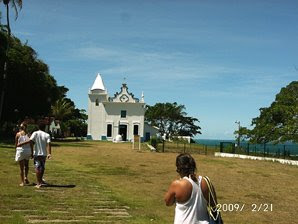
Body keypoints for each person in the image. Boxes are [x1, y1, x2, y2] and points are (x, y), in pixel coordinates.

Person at [164, 153, 218, 224]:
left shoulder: (177, 184)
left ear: (179, 169)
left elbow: (168, 202)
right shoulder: (206, 181)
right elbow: (214, 206)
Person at [18, 121, 52, 188]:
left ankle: (38, 183)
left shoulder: (35, 133)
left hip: (36, 153)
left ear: (38, 127)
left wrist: (30, 149)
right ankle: (40, 181)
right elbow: (49, 144)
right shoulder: (47, 135)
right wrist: (49, 153)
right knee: (42, 167)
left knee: (37, 167)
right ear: (45, 127)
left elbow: (30, 141)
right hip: (44, 154)